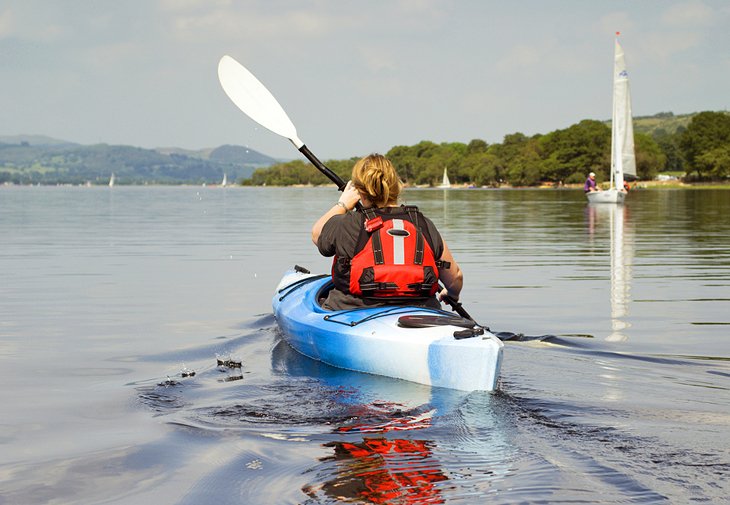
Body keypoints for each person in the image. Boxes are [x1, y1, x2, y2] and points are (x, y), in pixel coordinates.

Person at [311, 153, 463, 311]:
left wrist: (342, 204)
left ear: (360, 192)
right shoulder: (423, 224)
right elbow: (455, 277)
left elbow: (317, 234)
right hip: (423, 311)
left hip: (353, 311)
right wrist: (452, 294)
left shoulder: (348, 223)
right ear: (396, 186)